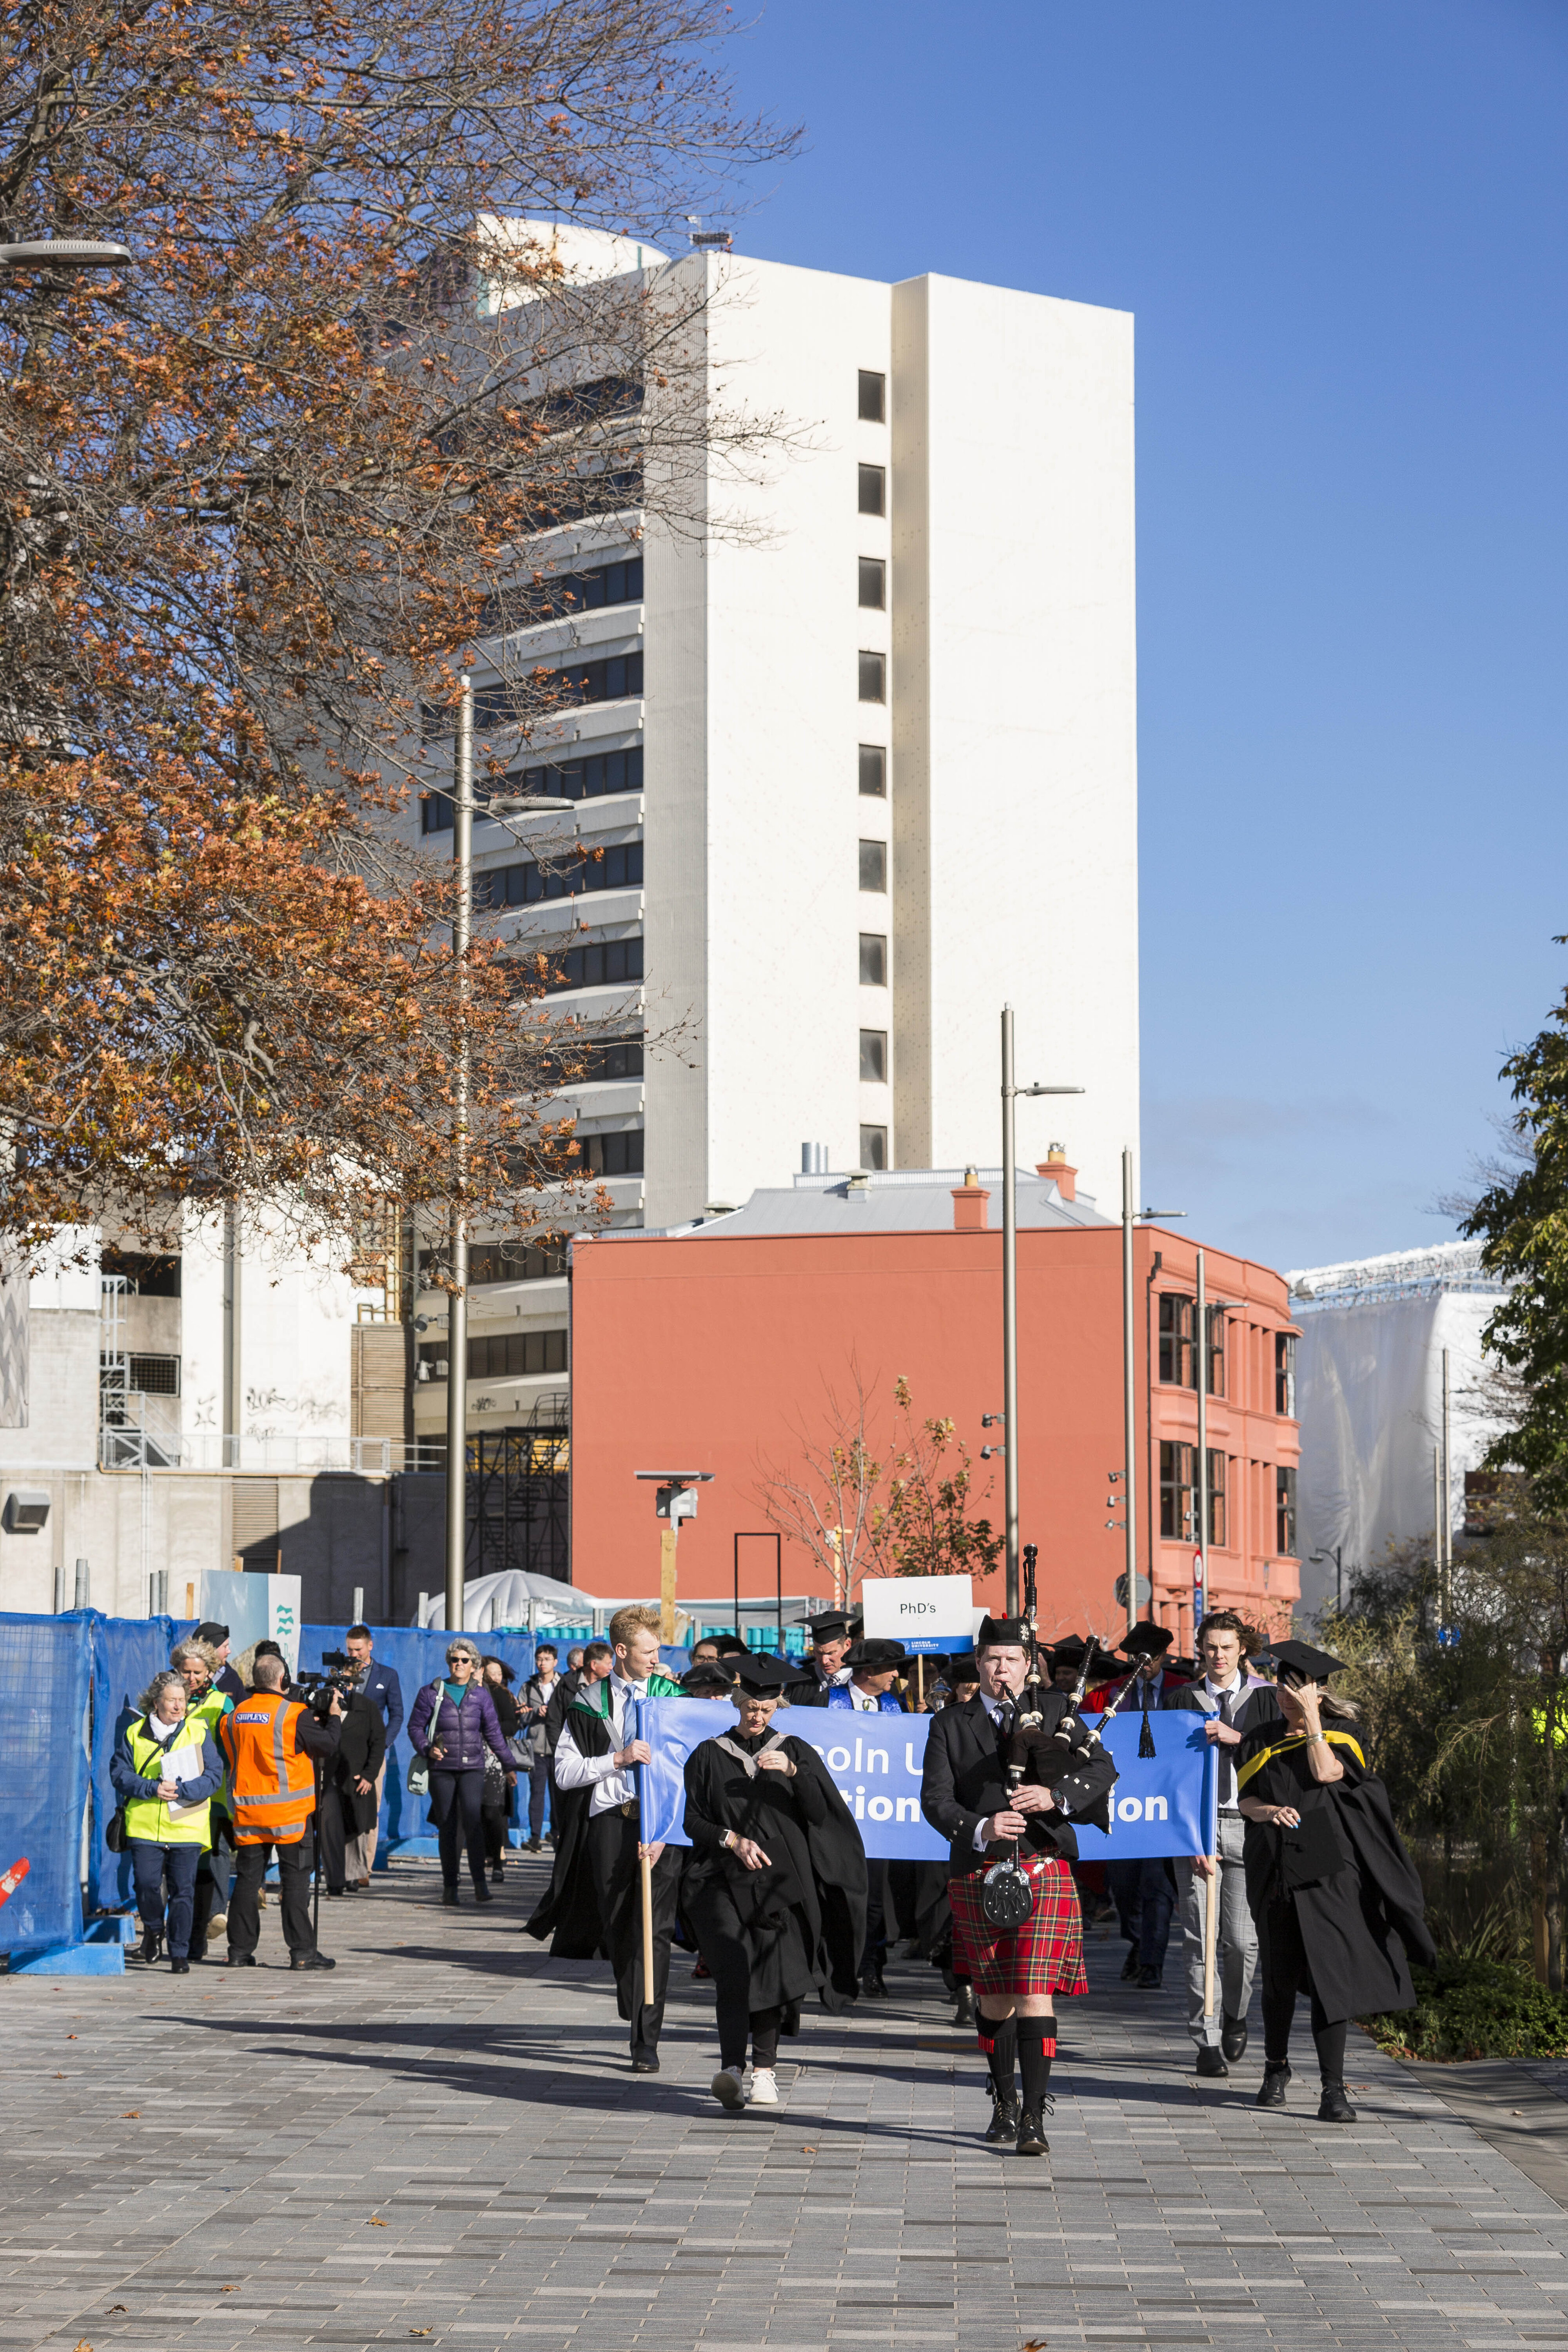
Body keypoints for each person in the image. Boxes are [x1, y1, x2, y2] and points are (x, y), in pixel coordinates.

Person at [920, 1615, 1118, 2157]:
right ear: (979, 1664)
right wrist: (981, 1827)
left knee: (1034, 1990)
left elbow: (1102, 1767)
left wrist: (1056, 1797)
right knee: (994, 1995)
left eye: (1011, 1658)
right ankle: (1003, 2100)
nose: (1001, 1667)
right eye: (991, 1658)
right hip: (979, 1869)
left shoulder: (1056, 1710)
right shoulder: (950, 1723)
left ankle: (1034, 2113)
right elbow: (935, 1800)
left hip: (1041, 1864)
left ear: (1028, 1663)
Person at [1238, 1638, 1433, 2123]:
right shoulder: (1258, 1736)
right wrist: (1269, 1810)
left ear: (1318, 1693)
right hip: (1276, 1863)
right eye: (1282, 1689)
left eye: (1296, 1690)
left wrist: (1313, 1723)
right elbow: (1245, 1801)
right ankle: (1275, 2068)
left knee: (1331, 1976)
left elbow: (1326, 1772)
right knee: (1279, 1976)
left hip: (1331, 1867)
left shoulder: (1346, 1734)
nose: (1285, 1697)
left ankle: (1333, 2089)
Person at [683, 1651, 867, 2108]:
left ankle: (764, 2071)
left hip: (780, 1882)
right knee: (733, 1965)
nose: (756, 1716)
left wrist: (793, 1772)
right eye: (749, 1707)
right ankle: (731, 2067)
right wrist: (731, 1839)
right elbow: (691, 1821)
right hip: (722, 1879)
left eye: (765, 1709)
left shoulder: (795, 1750)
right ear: (736, 1700)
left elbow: (821, 1813)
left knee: (770, 1971)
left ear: (778, 1704)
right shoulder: (708, 1754)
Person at [527, 1605, 684, 2072]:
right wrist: (615, 1759)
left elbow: (686, 1769)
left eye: (658, 1650)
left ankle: (645, 2037)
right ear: (621, 1651)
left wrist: (666, 1829)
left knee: (653, 1931)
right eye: (648, 1650)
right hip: (610, 1824)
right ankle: (634, 1998)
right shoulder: (584, 1701)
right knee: (620, 1928)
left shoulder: (671, 1696)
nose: (657, 1658)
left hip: (659, 1826)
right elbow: (565, 1772)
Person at [1164, 1609, 1279, 2073]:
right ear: (1201, 1648)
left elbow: (1280, 1761)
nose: (1218, 1655)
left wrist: (1241, 1738)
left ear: (1243, 1650)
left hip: (1248, 1824)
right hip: (1197, 1828)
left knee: (1241, 1942)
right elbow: (1166, 1776)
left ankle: (1234, 2011)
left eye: (1227, 1647)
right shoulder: (1179, 1701)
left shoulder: (1267, 1700)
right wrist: (1185, 1832)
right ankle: (1206, 2038)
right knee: (1200, 1941)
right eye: (1210, 1646)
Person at [220, 1653, 343, 1970]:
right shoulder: (293, 1714)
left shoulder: (233, 1716)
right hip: (290, 1815)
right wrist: (334, 1716)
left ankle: (238, 1951)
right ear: (283, 1680)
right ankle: (302, 1952)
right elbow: (327, 1745)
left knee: (248, 1882)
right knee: (295, 1882)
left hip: (249, 1814)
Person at [1095, 1624, 1193, 1991]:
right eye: (1137, 1658)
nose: (1144, 1664)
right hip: (1123, 1805)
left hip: (1164, 1806)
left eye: (1150, 1658)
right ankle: (1138, 1943)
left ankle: (1152, 1961)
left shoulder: (1182, 1692)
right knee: (1123, 1887)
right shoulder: (1111, 1694)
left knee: (1158, 1888)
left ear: (1162, 1657)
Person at [111, 1669, 225, 1974]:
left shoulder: (199, 1731)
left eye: (182, 1700)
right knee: (147, 1885)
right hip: (145, 1825)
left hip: (187, 1825)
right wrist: (152, 1788)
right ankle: (152, 1930)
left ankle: (178, 1952)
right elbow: (120, 1774)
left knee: (182, 1891)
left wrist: (183, 1790)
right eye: (172, 1700)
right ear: (155, 1703)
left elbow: (215, 1775)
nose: (178, 1706)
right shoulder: (134, 1734)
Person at [407, 1638, 516, 1905]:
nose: (459, 1664)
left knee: (473, 1822)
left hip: (472, 1769)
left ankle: (480, 1884)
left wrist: (509, 1765)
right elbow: (415, 1727)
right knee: (448, 1825)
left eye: (465, 1660)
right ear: (449, 1662)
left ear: (474, 1665)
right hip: (442, 1769)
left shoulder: (481, 1695)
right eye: (455, 1659)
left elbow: (493, 1733)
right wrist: (427, 1748)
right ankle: (450, 1886)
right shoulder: (431, 1692)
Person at [170, 1637, 235, 1958]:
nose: (192, 1678)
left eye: (198, 1672)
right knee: (179, 1869)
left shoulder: (222, 1703)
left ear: (210, 1671)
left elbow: (232, 1748)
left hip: (213, 1796)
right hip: (173, 1795)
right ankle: (177, 1935)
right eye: (186, 1671)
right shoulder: (165, 1698)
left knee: (209, 1861)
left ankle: (204, 1928)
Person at [341, 1623, 404, 1885]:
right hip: (342, 1752)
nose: (353, 1654)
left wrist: (383, 1743)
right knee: (341, 1806)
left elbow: (397, 1714)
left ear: (370, 1646)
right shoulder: (340, 1673)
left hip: (373, 1754)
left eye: (358, 1649)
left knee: (369, 1809)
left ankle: (363, 1868)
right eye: (349, 1649)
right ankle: (342, 1865)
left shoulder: (387, 1675)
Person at [317, 1668, 389, 1900]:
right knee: (330, 1829)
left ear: (353, 1685)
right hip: (329, 1779)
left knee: (356, 1828)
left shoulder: (366, 1707)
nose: (340, 1688)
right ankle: (334, 1880)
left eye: (345, 1683)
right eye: (335, 1684)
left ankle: (354, 1875)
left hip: (357, 1779)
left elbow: (378, 1743)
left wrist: (370, 1775)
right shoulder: (322, 1706)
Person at [480, 1656, 524, 1881]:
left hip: (496, 1758)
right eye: (491, 1672)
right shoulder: (468, 1692)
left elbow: (511, 1724)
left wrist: (491, 1729)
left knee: (494, 1811)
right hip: (468, 1759)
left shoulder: (500, 1694)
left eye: (499, 1673)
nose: (495, 1677)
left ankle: (497, 1858)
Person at [520, 1643, 562, 1851]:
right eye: (539, 1659)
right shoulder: (528, 1687)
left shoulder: (563, 1685)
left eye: (547, 1659)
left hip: (559, 1749)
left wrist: (553, 1713)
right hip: (536, 1748)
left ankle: (557, 1834)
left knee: (558, 1794)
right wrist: (536, 1712)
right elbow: (520, 1715)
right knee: (537, 1794)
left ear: (555, 1662)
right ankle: (535, 1836)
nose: (542, 1663)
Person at [788, 1610, 855, 1700]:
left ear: (847, 1645)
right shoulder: (799, 1682)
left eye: (831, 1653)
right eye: (819, 1653)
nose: (824, 1661)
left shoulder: (863, 1681)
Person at [195, 1622, 245, 1700]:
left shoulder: (233, 1678)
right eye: (225, 1647)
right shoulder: (186, 1677)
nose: (229, 1651)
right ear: (211, 1650)